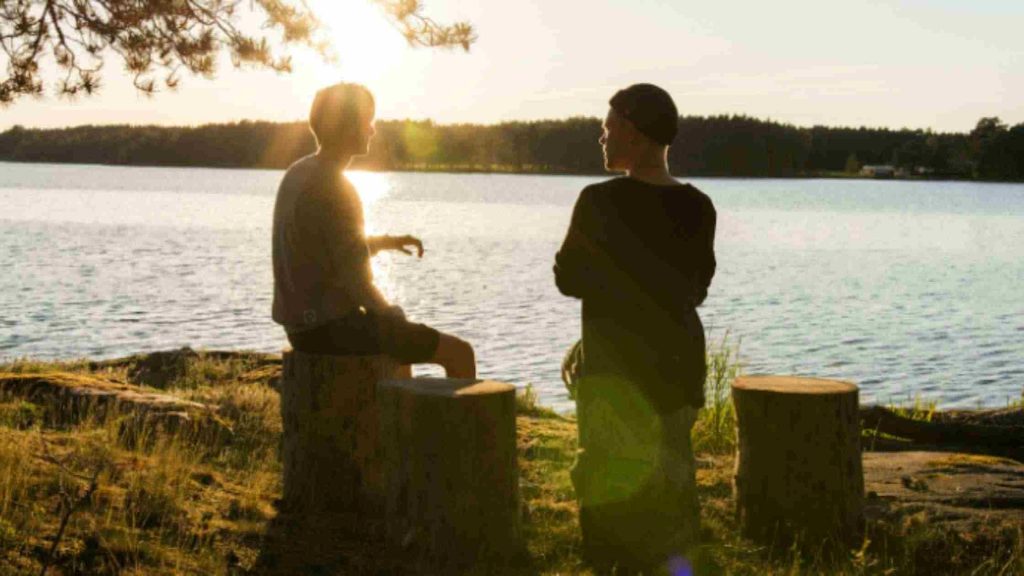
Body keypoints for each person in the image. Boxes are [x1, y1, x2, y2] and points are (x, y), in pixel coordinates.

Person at [554, 83, 716, 572]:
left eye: (607, 127)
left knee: (608, 490)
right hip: (676, 368)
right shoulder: (698, 206)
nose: (601, 137)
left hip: (614, 375)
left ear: (632, 130)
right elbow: (692, 289)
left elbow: (569, 277)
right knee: (672, 489)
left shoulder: (599, 202)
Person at [272, 82, 475, 378]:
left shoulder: (300, 172)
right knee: (459, 352)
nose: (372, 129)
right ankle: (463, 425)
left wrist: (385, 243)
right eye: (367, 120)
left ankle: (401, 417)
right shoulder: (337, 188)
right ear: (347, 126)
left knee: (397, 336)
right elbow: (358, 282)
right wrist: (392, 313)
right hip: (331, 330)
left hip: (300, 329)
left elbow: (327, 249)